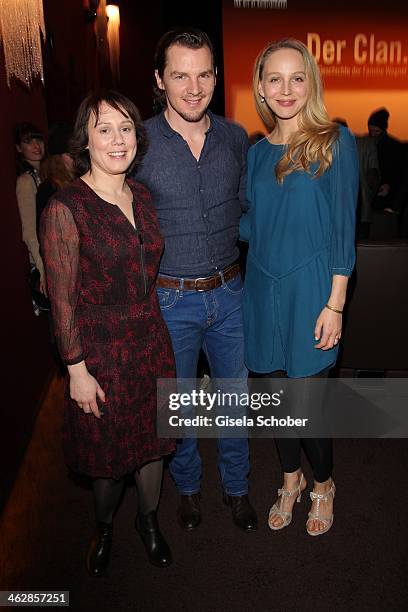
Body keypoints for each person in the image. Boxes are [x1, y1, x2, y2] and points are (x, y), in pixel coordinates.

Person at [40, 90, 176, 576]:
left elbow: (151, 267)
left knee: (154, 443)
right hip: (100, 350)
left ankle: (149, 522)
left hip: (150, 341)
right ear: (86, 141)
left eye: (125, 128)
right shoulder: (65, 208)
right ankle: (103, 526)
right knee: (107, 454)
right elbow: (62, 301)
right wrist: (76, 370)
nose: (117, 140)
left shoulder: (142, 195)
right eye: (104, 129)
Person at [135, 27, 257, 532]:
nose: (193, 87)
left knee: (233, 401)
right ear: (160, 79)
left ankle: (238, 488)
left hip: (231, 294)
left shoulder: (234, 137)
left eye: (203, 74)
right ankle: (186, 488)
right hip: (170, 300)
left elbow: (249, 209)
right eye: (180, 75)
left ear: (215, 77)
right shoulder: (137, 142)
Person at [240, 38, 358, 535]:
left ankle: (323, 484)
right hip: (261, 292)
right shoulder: (254, 153)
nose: (285, 89)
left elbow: (343, 227)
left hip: (313, 293)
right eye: (274, 79)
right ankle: (289, 480)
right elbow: (251, 225)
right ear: (261, 89)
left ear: (310, 82)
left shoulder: (335, 139)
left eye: (296, 77)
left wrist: (336, 302)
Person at [14, 122, 47, 314]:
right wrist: (43, 270)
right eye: (28, 141)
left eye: (38, 139)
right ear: (19, 148)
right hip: (42, 260)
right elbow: (29, 232)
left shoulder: (48, 173)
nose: (36, 146)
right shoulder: (26, 181)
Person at [368, 107, 403, 214]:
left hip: (387, 192)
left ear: (383, 129)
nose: (373, 134)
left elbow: (397, 171)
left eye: (376, 131)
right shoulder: (366, 144)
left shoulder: (394, 146)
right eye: (371, 130)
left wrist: (388, 184)